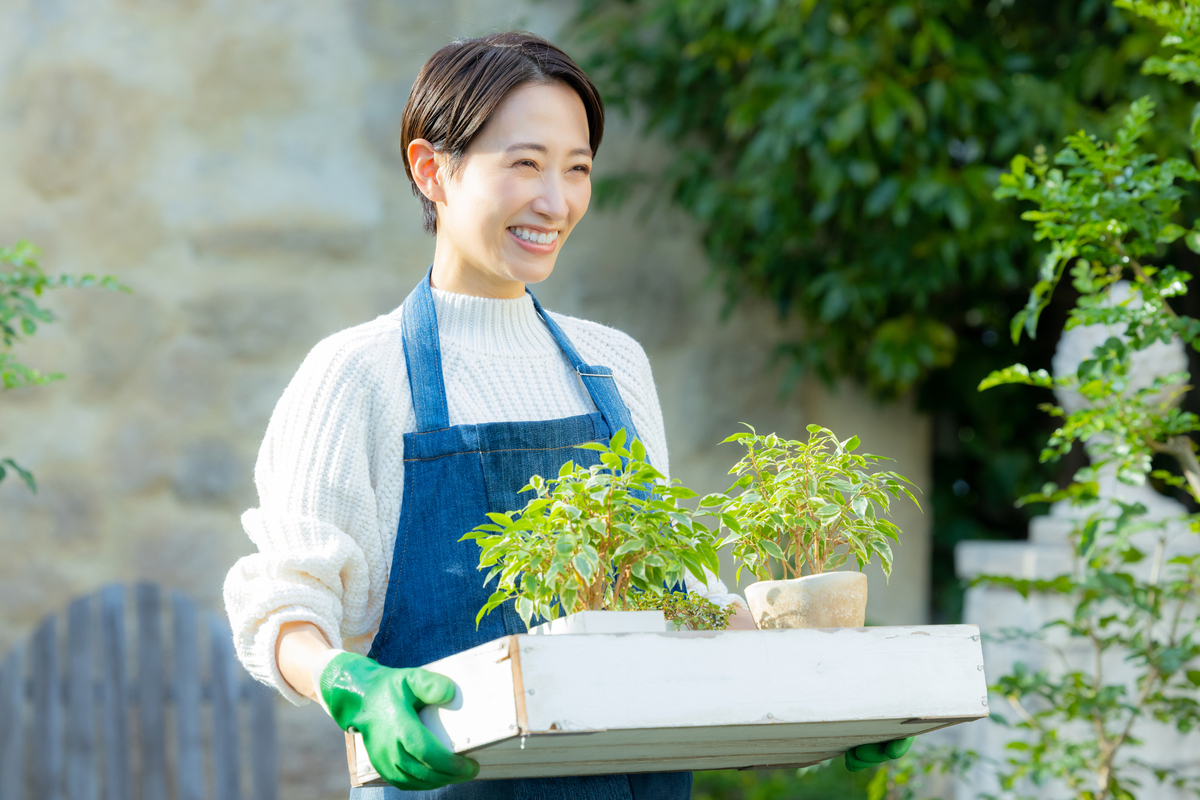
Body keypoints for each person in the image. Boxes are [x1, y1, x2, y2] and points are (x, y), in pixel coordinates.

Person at [224, 30, 906, 799]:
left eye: (576, 169)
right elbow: (284, 602)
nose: (556, 202)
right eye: (524, 164)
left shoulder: (614, 366)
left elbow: (682, 601)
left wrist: (820, 701)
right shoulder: (360, 374)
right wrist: (352, 685)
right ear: (432, 169)